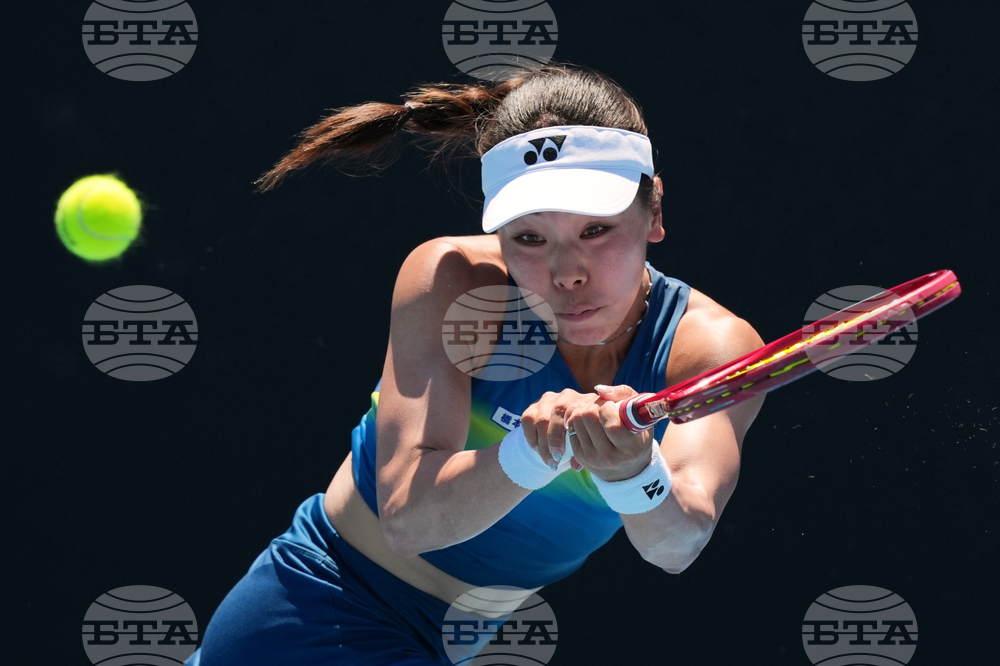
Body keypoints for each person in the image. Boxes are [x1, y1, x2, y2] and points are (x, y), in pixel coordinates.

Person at [185, 61, 766, 665]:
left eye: (596, 230)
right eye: (530, 239)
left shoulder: (710, 349)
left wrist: (632, 473)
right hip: (319, 611)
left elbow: (677, 544)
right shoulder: (455, 282)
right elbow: (409, 520)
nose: (566, 272)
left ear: (655, 210)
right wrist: (536, 450)